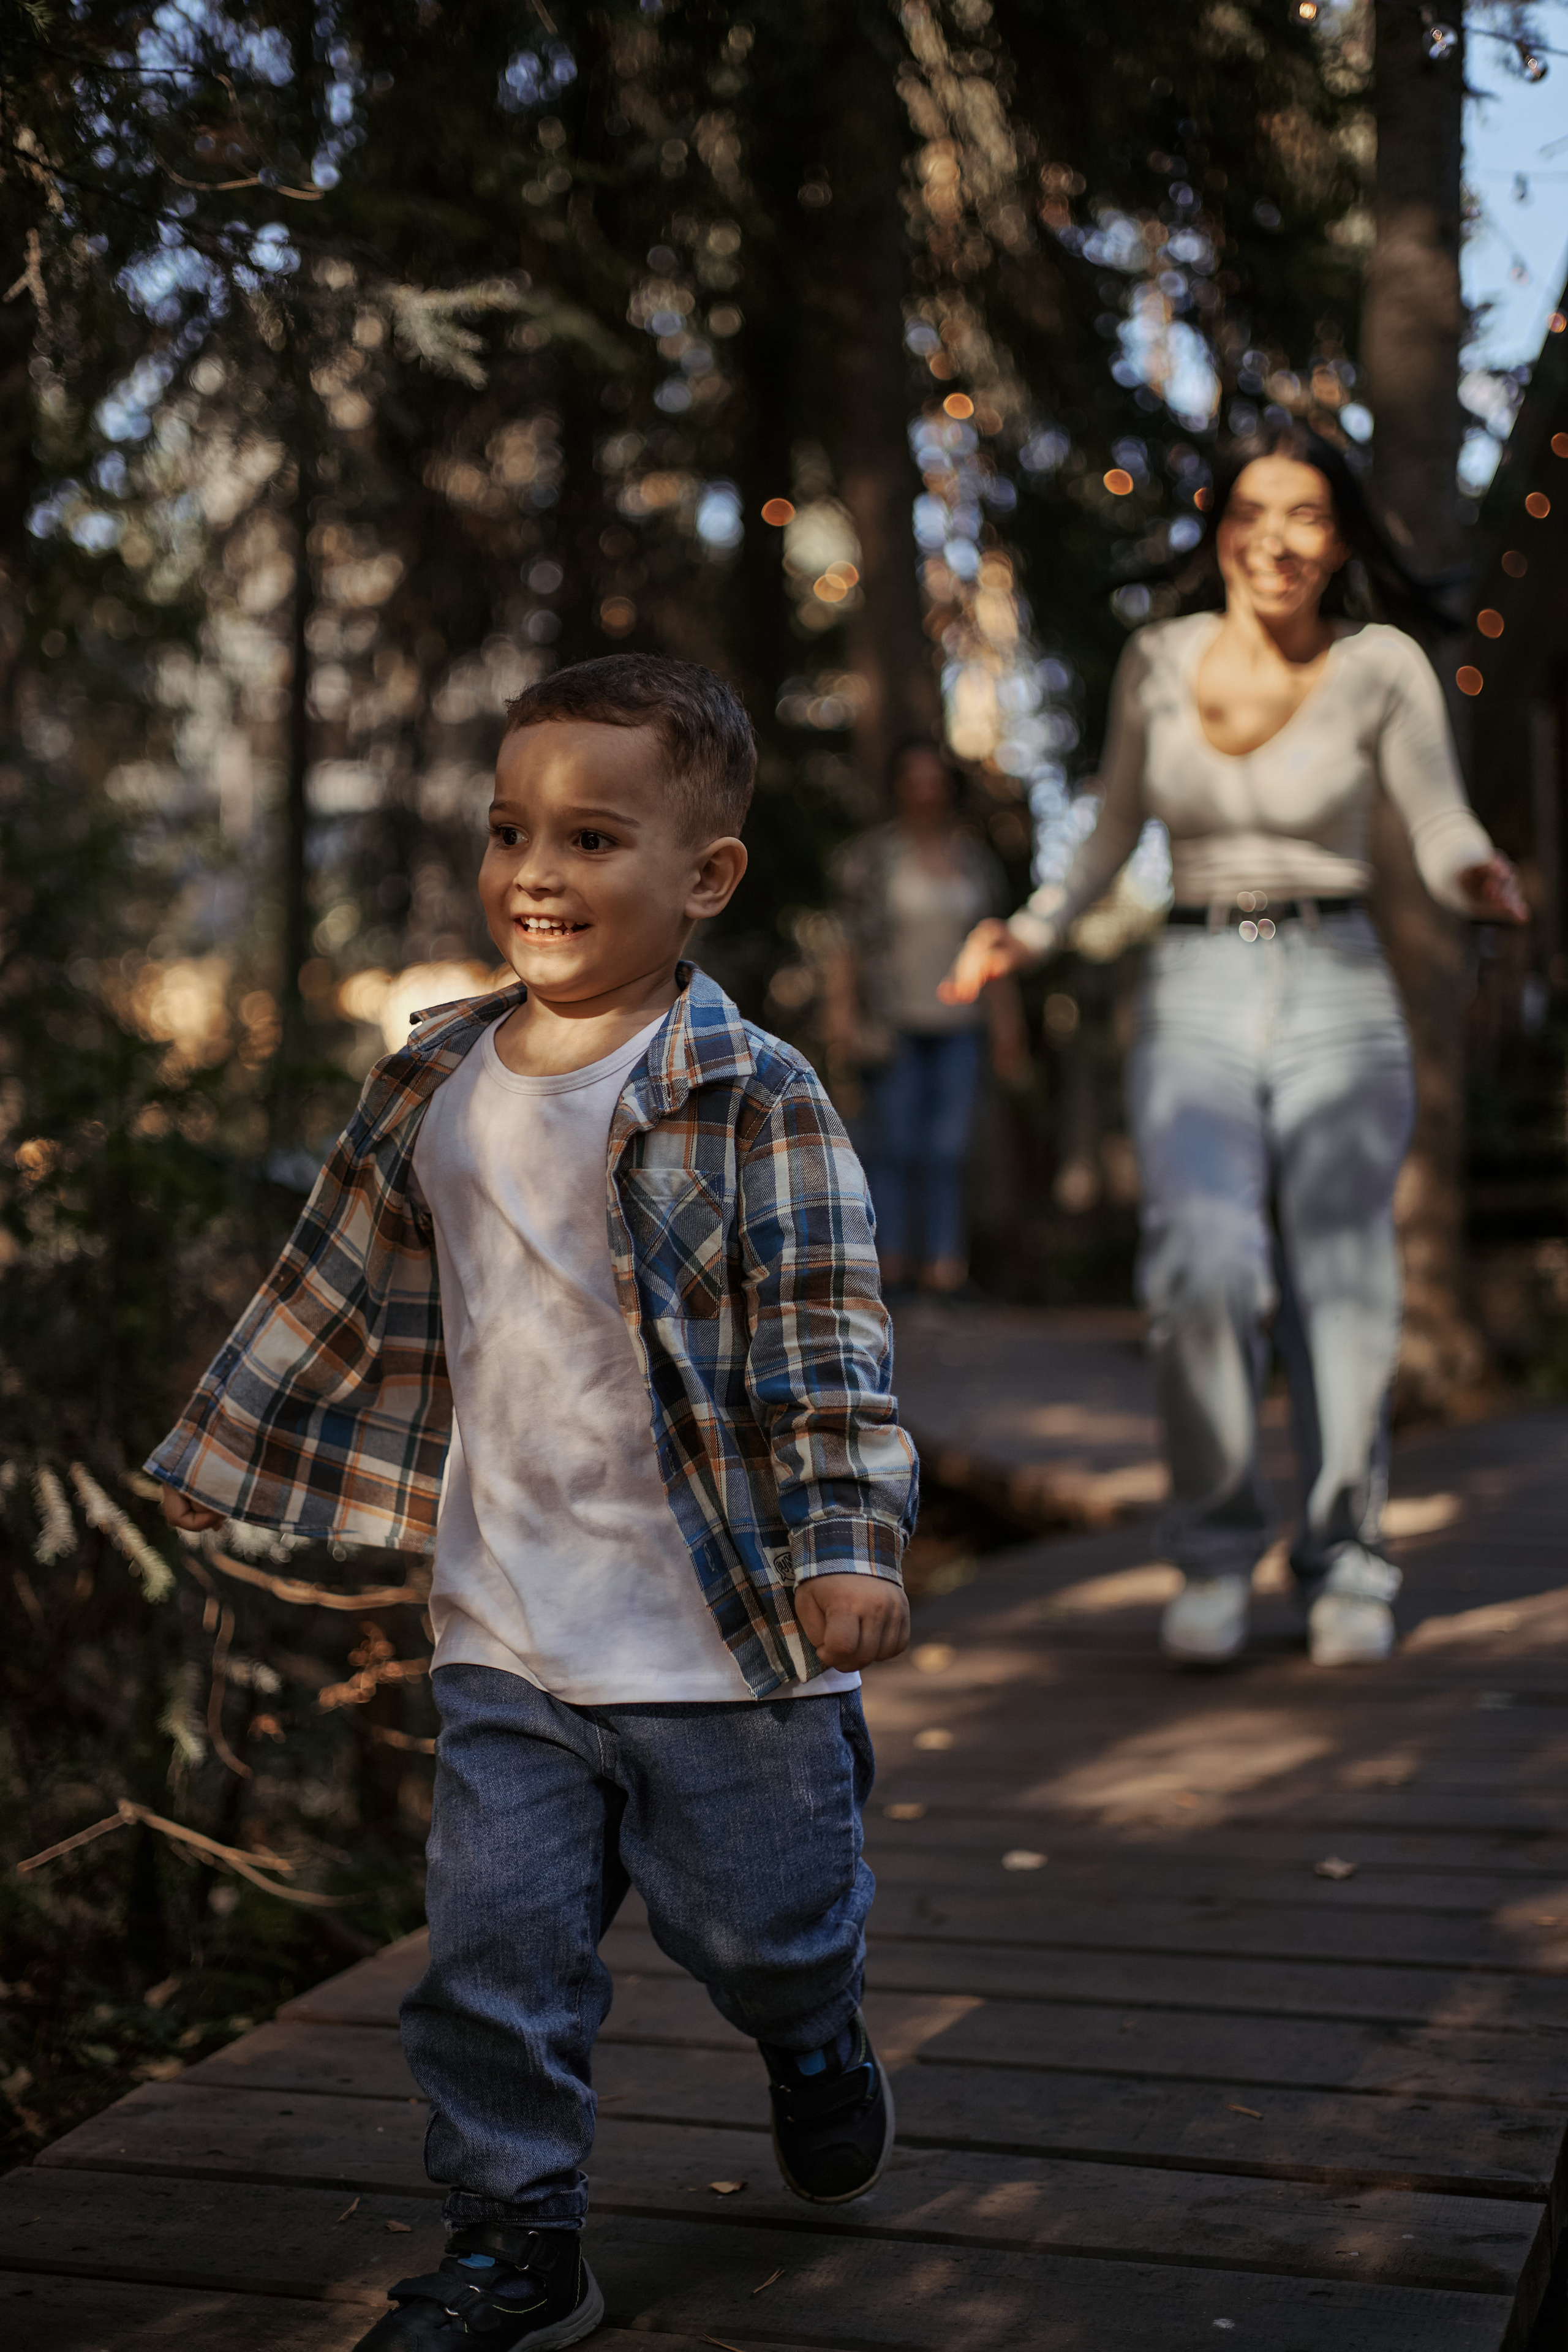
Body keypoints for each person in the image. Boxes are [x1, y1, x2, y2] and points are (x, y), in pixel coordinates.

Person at [149, 654, 918, 2352]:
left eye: (591, 836)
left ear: (704, 876)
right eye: (511, 831)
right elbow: (327, 1282)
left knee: (768, 1937)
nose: (537, 874)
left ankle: (812, 2034)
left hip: (727, 1635)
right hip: (510, 1629)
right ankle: (519, 2238)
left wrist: (850, 1550)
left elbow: (825, 1343)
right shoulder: (437, 1082)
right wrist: (220, 1449)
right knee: (492, 1958)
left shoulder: (753, 1094)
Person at [943, 423, 1526, 1671]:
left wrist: (1473, 873)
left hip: (1336, 980)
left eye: (1305, 513)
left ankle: (1345, 1561)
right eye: (1251, 512)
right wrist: (1029, 933)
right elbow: (1104, 840)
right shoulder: (1157, 660)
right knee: (1201, 1261)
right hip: (1197, 978)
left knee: (1341, 1279)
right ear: (1220, 535)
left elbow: (1433, 819)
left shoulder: (1380, 666)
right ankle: (1212, 1553)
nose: (1275, 536)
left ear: (1337, 539)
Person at [827, 737, 1027, 1295]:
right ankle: (888, 1267)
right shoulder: (873, 860)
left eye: (934, 778)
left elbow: (996, 947)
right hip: (893, 1024)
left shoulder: (974, 862)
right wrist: (842, 1015)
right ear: (898, 787)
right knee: (892, 1147)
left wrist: (1008, 1025)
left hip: (961, 1028)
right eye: (913, 778)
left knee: (948, 1150)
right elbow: (847, 944)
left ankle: (943, 1268)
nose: (925, 789)